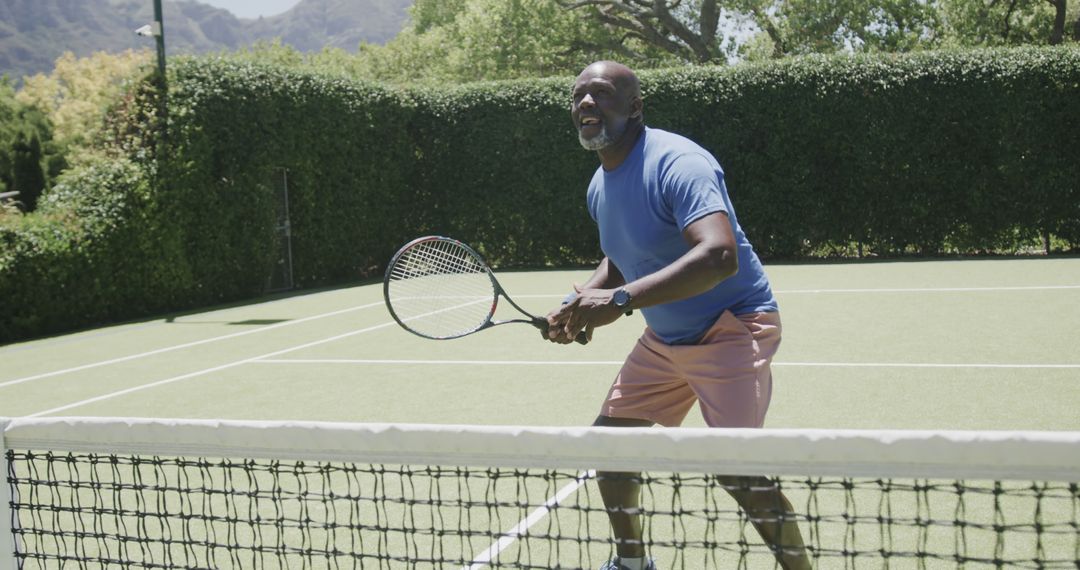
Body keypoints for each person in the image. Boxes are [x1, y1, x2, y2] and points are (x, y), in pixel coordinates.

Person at [544, 61, 812, 570]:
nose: (585, 104)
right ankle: (632, 564)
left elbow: (718, 255)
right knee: (611, 450)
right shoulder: (599, 186)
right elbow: (622, 258)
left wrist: (620, 302)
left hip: (732, 327)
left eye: (600, 94)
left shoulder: (679, 162)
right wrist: (578, 306)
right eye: (578, 95)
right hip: (666, 339)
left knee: (738, 472)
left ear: (635, 107)